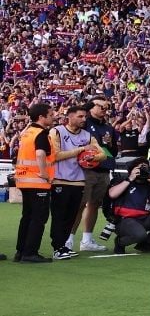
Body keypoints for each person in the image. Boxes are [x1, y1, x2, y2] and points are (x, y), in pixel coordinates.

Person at [48, 105, 98, 260]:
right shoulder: (57, 131)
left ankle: (64, 246)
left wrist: (92, 157)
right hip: (60, 180)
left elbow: (102, 154)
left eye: (85, 117)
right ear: (69, 116)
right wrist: (82, 150)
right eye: (80, 116)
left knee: (71, 216)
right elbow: (56, 156)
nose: (84, 119)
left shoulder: (87, 135)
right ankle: (57, 248)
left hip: (79, 182)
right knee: (59, 216)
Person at [74, 97, 118, 253]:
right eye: (101, 106)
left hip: (103, 170)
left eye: (107, 108)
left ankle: (86, 240)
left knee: (94, 205)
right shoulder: (83, 124)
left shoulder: (109, 128)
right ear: (91, 107)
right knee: (79, 205)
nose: (104, 110)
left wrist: (106, 148)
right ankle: (68, 240)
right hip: (85, 170)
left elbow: (113, 152)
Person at [13, 103, 54, 263]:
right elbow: (40, 154)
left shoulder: (27, 132)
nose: (53, 116)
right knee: (38, 218)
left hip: (24, 180)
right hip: (38, 182)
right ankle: (30, 253)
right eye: (50, 115)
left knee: (27, 217)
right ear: (41, 117)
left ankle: (21, 251)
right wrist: (44, 174)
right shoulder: (41, 133)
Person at [108, 158, 150, 254]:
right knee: (140, 235)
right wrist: (130, 179)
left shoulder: (149, 184)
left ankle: (146, 243)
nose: (142, 170)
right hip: (124, 220)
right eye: (139, 168)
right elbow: (112, 194)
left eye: (145, 168)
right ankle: (120, 242)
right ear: (132, 169)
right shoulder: (122, 180)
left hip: (144, 218)